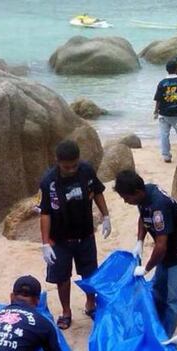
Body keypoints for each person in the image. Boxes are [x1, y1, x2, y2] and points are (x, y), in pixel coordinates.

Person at [39, 140, 111, 330]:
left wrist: (106, 216)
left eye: (74, 165)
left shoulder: (86, 171)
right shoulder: (48, 182)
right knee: (62, 277)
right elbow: (45, 212)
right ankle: (66, 311)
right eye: (67, 167)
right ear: (58, 162)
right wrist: (45, 242)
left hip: (85, 234)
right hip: (60, 238)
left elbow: (97, 192)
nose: (71, 170)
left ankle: (91, 304)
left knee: (89, 272)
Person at [113, 169, 177, 337]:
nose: (126, 202)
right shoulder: (144, 194)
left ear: (136, 192)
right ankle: (154, 324)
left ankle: (164, 337)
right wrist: (140, 241)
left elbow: (161, 245)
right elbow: (143, 217)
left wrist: (147, 268)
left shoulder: (159, 206)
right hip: (165, 254)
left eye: (127, 198)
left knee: (173, 301)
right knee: (157, 290)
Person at [153, 59, 177, 163]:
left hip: (164, 113)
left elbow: (158, 99)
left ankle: (166, 156)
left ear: (166, 70)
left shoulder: (162, 83)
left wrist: (156, 111)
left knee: (164, 135)